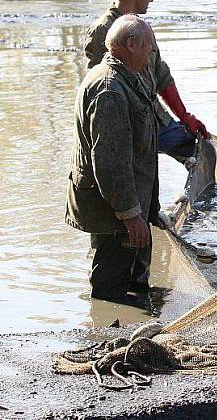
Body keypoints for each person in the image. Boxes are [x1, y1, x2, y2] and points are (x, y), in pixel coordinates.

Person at [67, 15, 161, 304]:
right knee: (111, 293)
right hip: (113, 214)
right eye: (149, 45)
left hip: (123, 208)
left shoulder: (125, 78)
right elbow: (110, 163)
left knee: (131, 287)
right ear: (131, 45)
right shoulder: (110, 89)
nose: (153, 51)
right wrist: (131, 215)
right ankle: (105, 343)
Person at [83, 0, 208, 163]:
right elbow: (97, 86)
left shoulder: (142, 27)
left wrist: (185, 116)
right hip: (127, 126)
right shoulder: (103, 30)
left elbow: (161, 74)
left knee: (200, 148)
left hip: (155, 119)